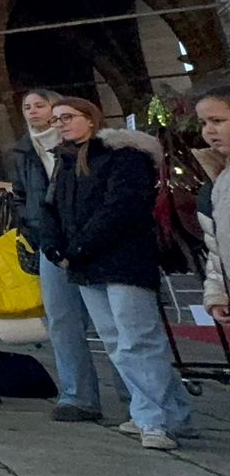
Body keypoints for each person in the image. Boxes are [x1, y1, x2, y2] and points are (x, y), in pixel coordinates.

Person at [44, 97, 195, 451]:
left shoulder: (124, 155)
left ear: (91, 119)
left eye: (67, 117)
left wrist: (79, 246)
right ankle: (175, 413)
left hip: (123, 260)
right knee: (114, 340)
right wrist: (54, 244)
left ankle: (153, 419)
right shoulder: (66, 160)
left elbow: (121, 208)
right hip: (85, 263)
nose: (60, 124)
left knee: (137, 340)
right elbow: (52, 208)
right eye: (56, 120)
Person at [10, 88, 114, 422]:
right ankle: (78, 396)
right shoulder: (22, 151)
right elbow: (21, 195)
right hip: (49, 241)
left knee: (111, 323)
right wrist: (34, 228)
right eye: (27, 107)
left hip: (91, 240)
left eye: (40, 105)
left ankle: (135, 396)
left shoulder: (86, 146)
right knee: (61, 320)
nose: (33, 111)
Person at [194, 88, 230, 330]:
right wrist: (218, 293)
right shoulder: (220, 178)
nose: (208, 130)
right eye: (203, 123)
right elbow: (217, 245)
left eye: (217, 121)